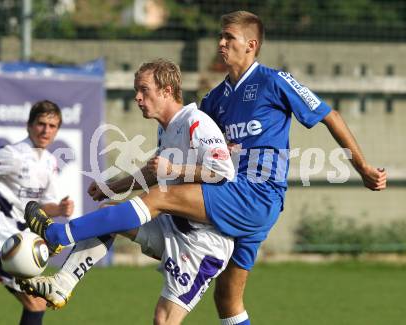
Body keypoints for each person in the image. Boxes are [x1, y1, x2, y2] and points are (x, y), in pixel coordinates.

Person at [23, 11, 387, 325]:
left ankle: (60, 236)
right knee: (228, 302)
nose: (221, 43)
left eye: (230, 37)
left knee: (162, 197)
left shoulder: (274, 82)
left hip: (256, 196)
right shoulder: (214, 100)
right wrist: (116, 183)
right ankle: (64, 274)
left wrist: (363, 167)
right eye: (220, 36)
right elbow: (175, 153)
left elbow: (330, 115)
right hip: (230, 197)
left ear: (251, 45)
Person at [19, 59, 235, 324]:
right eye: (136, 90)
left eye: (144, 90)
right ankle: (61, 284)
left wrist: (175, 168)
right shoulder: (166, 128)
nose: (137, 97)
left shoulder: (196, 122)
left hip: (203, 244)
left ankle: (58, 234)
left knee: (164, 321)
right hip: (173, 228)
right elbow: (154, 172)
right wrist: (113, 187)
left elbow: (223, 171)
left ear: (167, 91)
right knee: (110, 214)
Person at [0, 100, 74, 325]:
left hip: (5, 243)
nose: (46, 130)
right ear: (29, 125)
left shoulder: (49, 162)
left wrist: (60, 209)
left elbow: (41, 207)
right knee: (37, 301)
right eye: (41, 124)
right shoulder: (12, 154)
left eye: (52, 126)